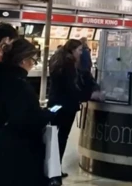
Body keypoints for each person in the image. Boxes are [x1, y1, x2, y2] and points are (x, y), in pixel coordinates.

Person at [0, 38, 54, 186]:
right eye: (33, 60)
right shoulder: (19, 85)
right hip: (15, 151)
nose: (33, 64)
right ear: (23, 60)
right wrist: (48, 114)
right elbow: (29, 120)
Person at [48, 39, 101, 177]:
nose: (81, 52)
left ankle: (51, 167)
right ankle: (55, 169)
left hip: (55, 104)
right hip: (66, 106)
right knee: (62, 137)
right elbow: (72, 89)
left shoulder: (57, 61)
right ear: (72, 50)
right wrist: (90, 94)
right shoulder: (69, 65)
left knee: (52, 136)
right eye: (79, 50)